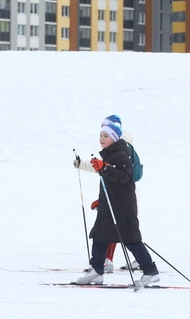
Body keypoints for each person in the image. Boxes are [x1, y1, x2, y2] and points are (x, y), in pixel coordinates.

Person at [72, 122, 159, 286]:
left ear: (114, 138)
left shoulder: (121, 154)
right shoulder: (109, 154)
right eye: (100, 136)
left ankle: (150, 271)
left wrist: (105, 167)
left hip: (122, 206)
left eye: (105, 136)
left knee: (131, 239)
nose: (101, 139)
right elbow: (106, 174)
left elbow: (124, 177)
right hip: (109, 204)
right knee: (99, 236)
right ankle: (97, 271)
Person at [74, 115, 139, 272]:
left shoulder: (121, 147)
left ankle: (108, 261)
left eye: (105, 128)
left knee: (120, 230)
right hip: (113, 192)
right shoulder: (111, 146)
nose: (101, 134)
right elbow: (103, 169)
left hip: (122, 194)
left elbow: (116, 172)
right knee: (113, 229)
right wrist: (82, 164)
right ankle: (104, 263)